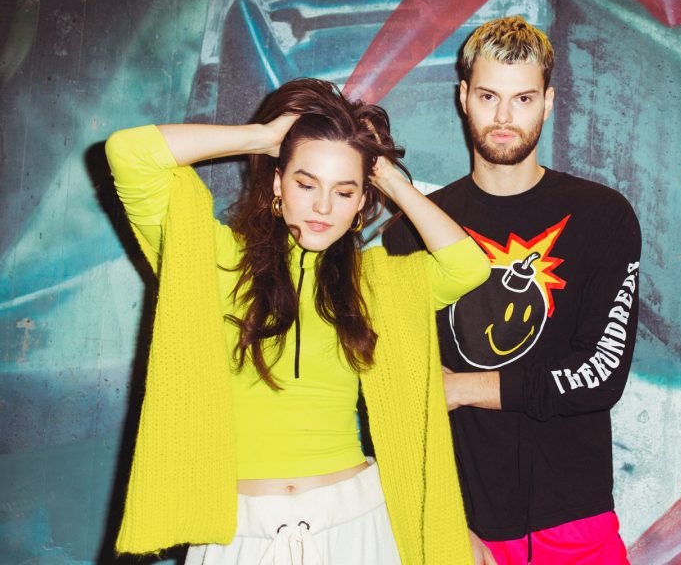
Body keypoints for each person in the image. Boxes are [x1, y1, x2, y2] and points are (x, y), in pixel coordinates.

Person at [105, 78, 489, 564]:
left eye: (344, 191)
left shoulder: (373, 284)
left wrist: (387, 177)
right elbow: (129, 154)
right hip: (240, 535)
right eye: (306, 184)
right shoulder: (217, 260)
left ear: (360, 203)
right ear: (277, 184)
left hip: (358, 526)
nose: (323, 206)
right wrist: (263, 137)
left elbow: (467, 267)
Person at [384, 16, 641, 564]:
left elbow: (600, 374)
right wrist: (445, 523)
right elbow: (404, 399)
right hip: (463, 529)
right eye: (488, 97)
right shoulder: (412, 233)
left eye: (522, 98)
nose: (504, 118)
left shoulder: (603, 217)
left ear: (547, 103)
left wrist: (462, 388)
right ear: (463, 98)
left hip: (576, 524)